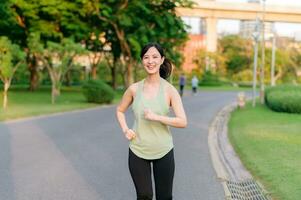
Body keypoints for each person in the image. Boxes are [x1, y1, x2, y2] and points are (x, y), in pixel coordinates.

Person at [116, 43, 187, 200]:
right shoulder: (134, 89)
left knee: (164, 197)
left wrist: (157, 117)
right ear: (142, 61)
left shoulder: (169, 90)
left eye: (155, 57)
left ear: (162, 60)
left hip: (164, 150)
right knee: (144, 195)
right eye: (146, 57)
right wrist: (126, 129)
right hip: (138, 150)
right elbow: (120, 110)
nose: (150, 61)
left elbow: (183, 121)